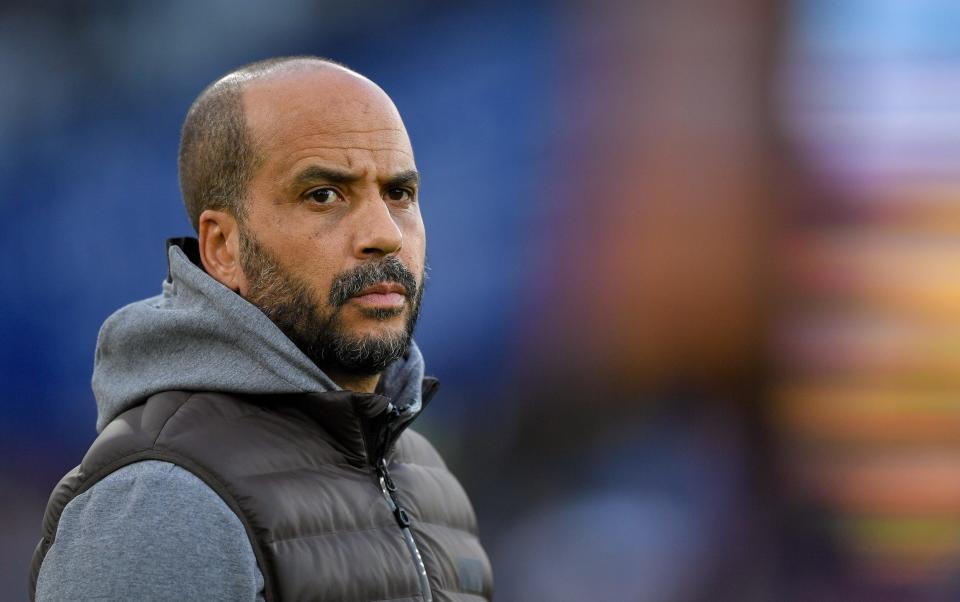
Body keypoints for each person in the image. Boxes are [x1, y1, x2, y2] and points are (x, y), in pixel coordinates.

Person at [29, 56, 493, 602]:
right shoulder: (164, 498)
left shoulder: (428, 478)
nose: (384, 234)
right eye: (324, 194)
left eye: (399, 194)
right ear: (224, 248)